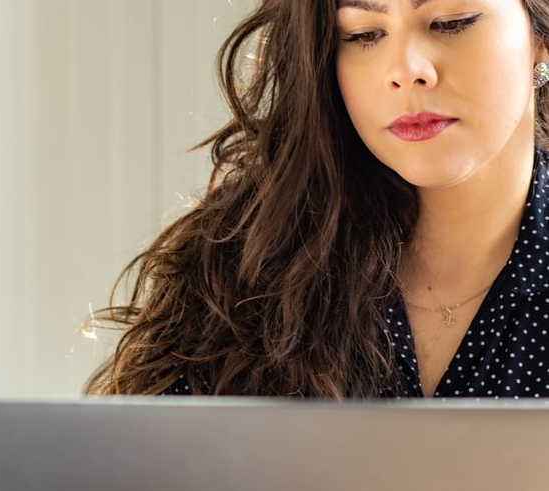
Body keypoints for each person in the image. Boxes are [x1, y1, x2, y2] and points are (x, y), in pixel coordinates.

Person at [85, 0, 549, 399]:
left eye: (451, 22)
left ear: (540, 38)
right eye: (364, 34)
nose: (406, 71)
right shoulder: (238, 268)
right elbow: (138, 470)